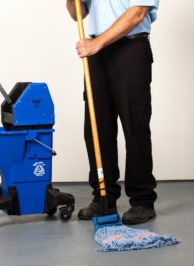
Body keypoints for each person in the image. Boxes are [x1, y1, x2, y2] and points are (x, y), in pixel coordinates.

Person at [66, 0, 159, 225]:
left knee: (134, 126)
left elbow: (137, 13)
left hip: (131, 48)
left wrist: (96, 43)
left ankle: (142, 201)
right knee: (97, 128)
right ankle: (103, 198)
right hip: (96, 52)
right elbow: (77, 13)